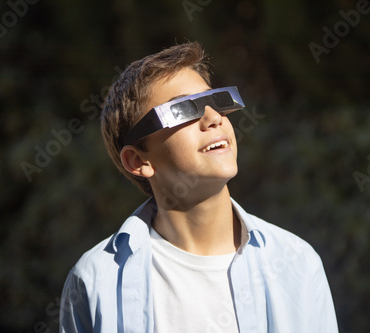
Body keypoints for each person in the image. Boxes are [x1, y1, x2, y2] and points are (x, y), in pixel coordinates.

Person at [59, 42, 339, 333]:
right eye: (183, 110)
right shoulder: (94, 281)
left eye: (217, 101)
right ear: (138, 160)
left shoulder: (296, 263)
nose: (213, 118)